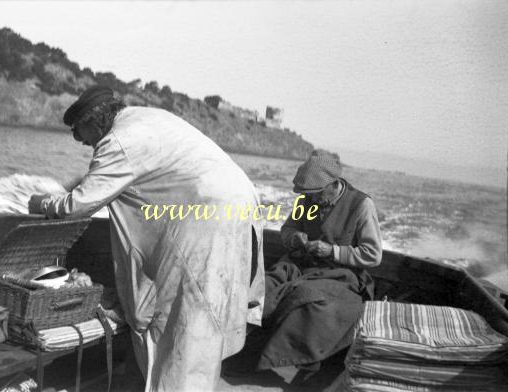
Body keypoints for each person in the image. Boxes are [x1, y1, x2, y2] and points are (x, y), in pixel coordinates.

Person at [28, 85, 264, 392]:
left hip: (207, 218)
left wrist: (41, 202)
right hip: (239, 207)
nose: (83, 142)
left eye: (79, 133)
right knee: (204, 316)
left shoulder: (117, 142)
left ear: (95, 121)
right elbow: (107, 179)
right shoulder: (147, 119)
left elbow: (78, 206)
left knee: (184, 320)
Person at [246, 150, 382, 384]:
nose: (314, 200)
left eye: (318, 194)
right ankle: (246, 352)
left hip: (341, 276)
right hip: (300, 265)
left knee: (308, 299)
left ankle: (307, 370)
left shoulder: (361, 205)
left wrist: (333, 251)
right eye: (310, 196)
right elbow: (287, 229)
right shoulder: (308, 200)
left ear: (334, 184)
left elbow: (373, 255)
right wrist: (294, 237)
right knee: (263, 286)